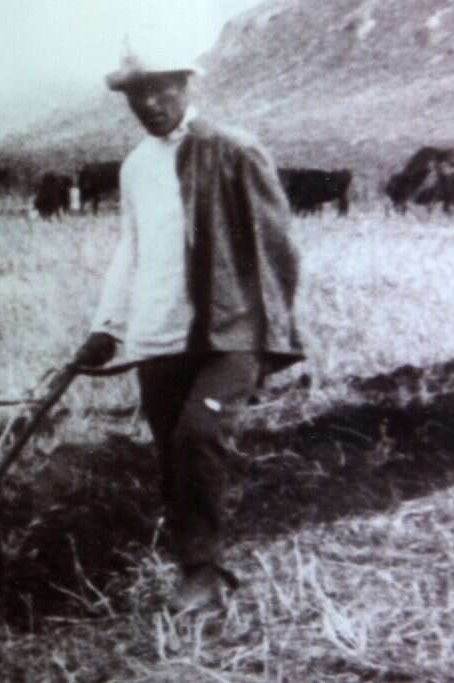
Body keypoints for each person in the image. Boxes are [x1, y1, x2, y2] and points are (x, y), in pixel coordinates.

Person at [73, 42, 304, 613]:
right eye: (136, 95)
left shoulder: (235, 151)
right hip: (158, 334)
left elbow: (278, 248)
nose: (150, 104)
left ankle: (202, 574)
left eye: (161, 89)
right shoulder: (135, 167)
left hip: (227, 333)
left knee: (200, 437)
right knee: (172, 455)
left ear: (186, 86)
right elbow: (131, 248)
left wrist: (267, 336)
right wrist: (107, 326)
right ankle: (193, 564)